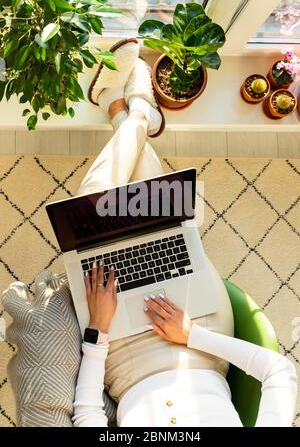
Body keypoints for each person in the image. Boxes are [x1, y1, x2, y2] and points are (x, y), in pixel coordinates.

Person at [72, 39, 297, 427]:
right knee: (157, 214)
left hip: (122, 357)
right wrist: (191, 335)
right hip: (200, 336)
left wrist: (99, 331)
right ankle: (131, 112)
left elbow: (88, 416)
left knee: (93, 212)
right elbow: (279, 371)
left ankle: (133, 115)